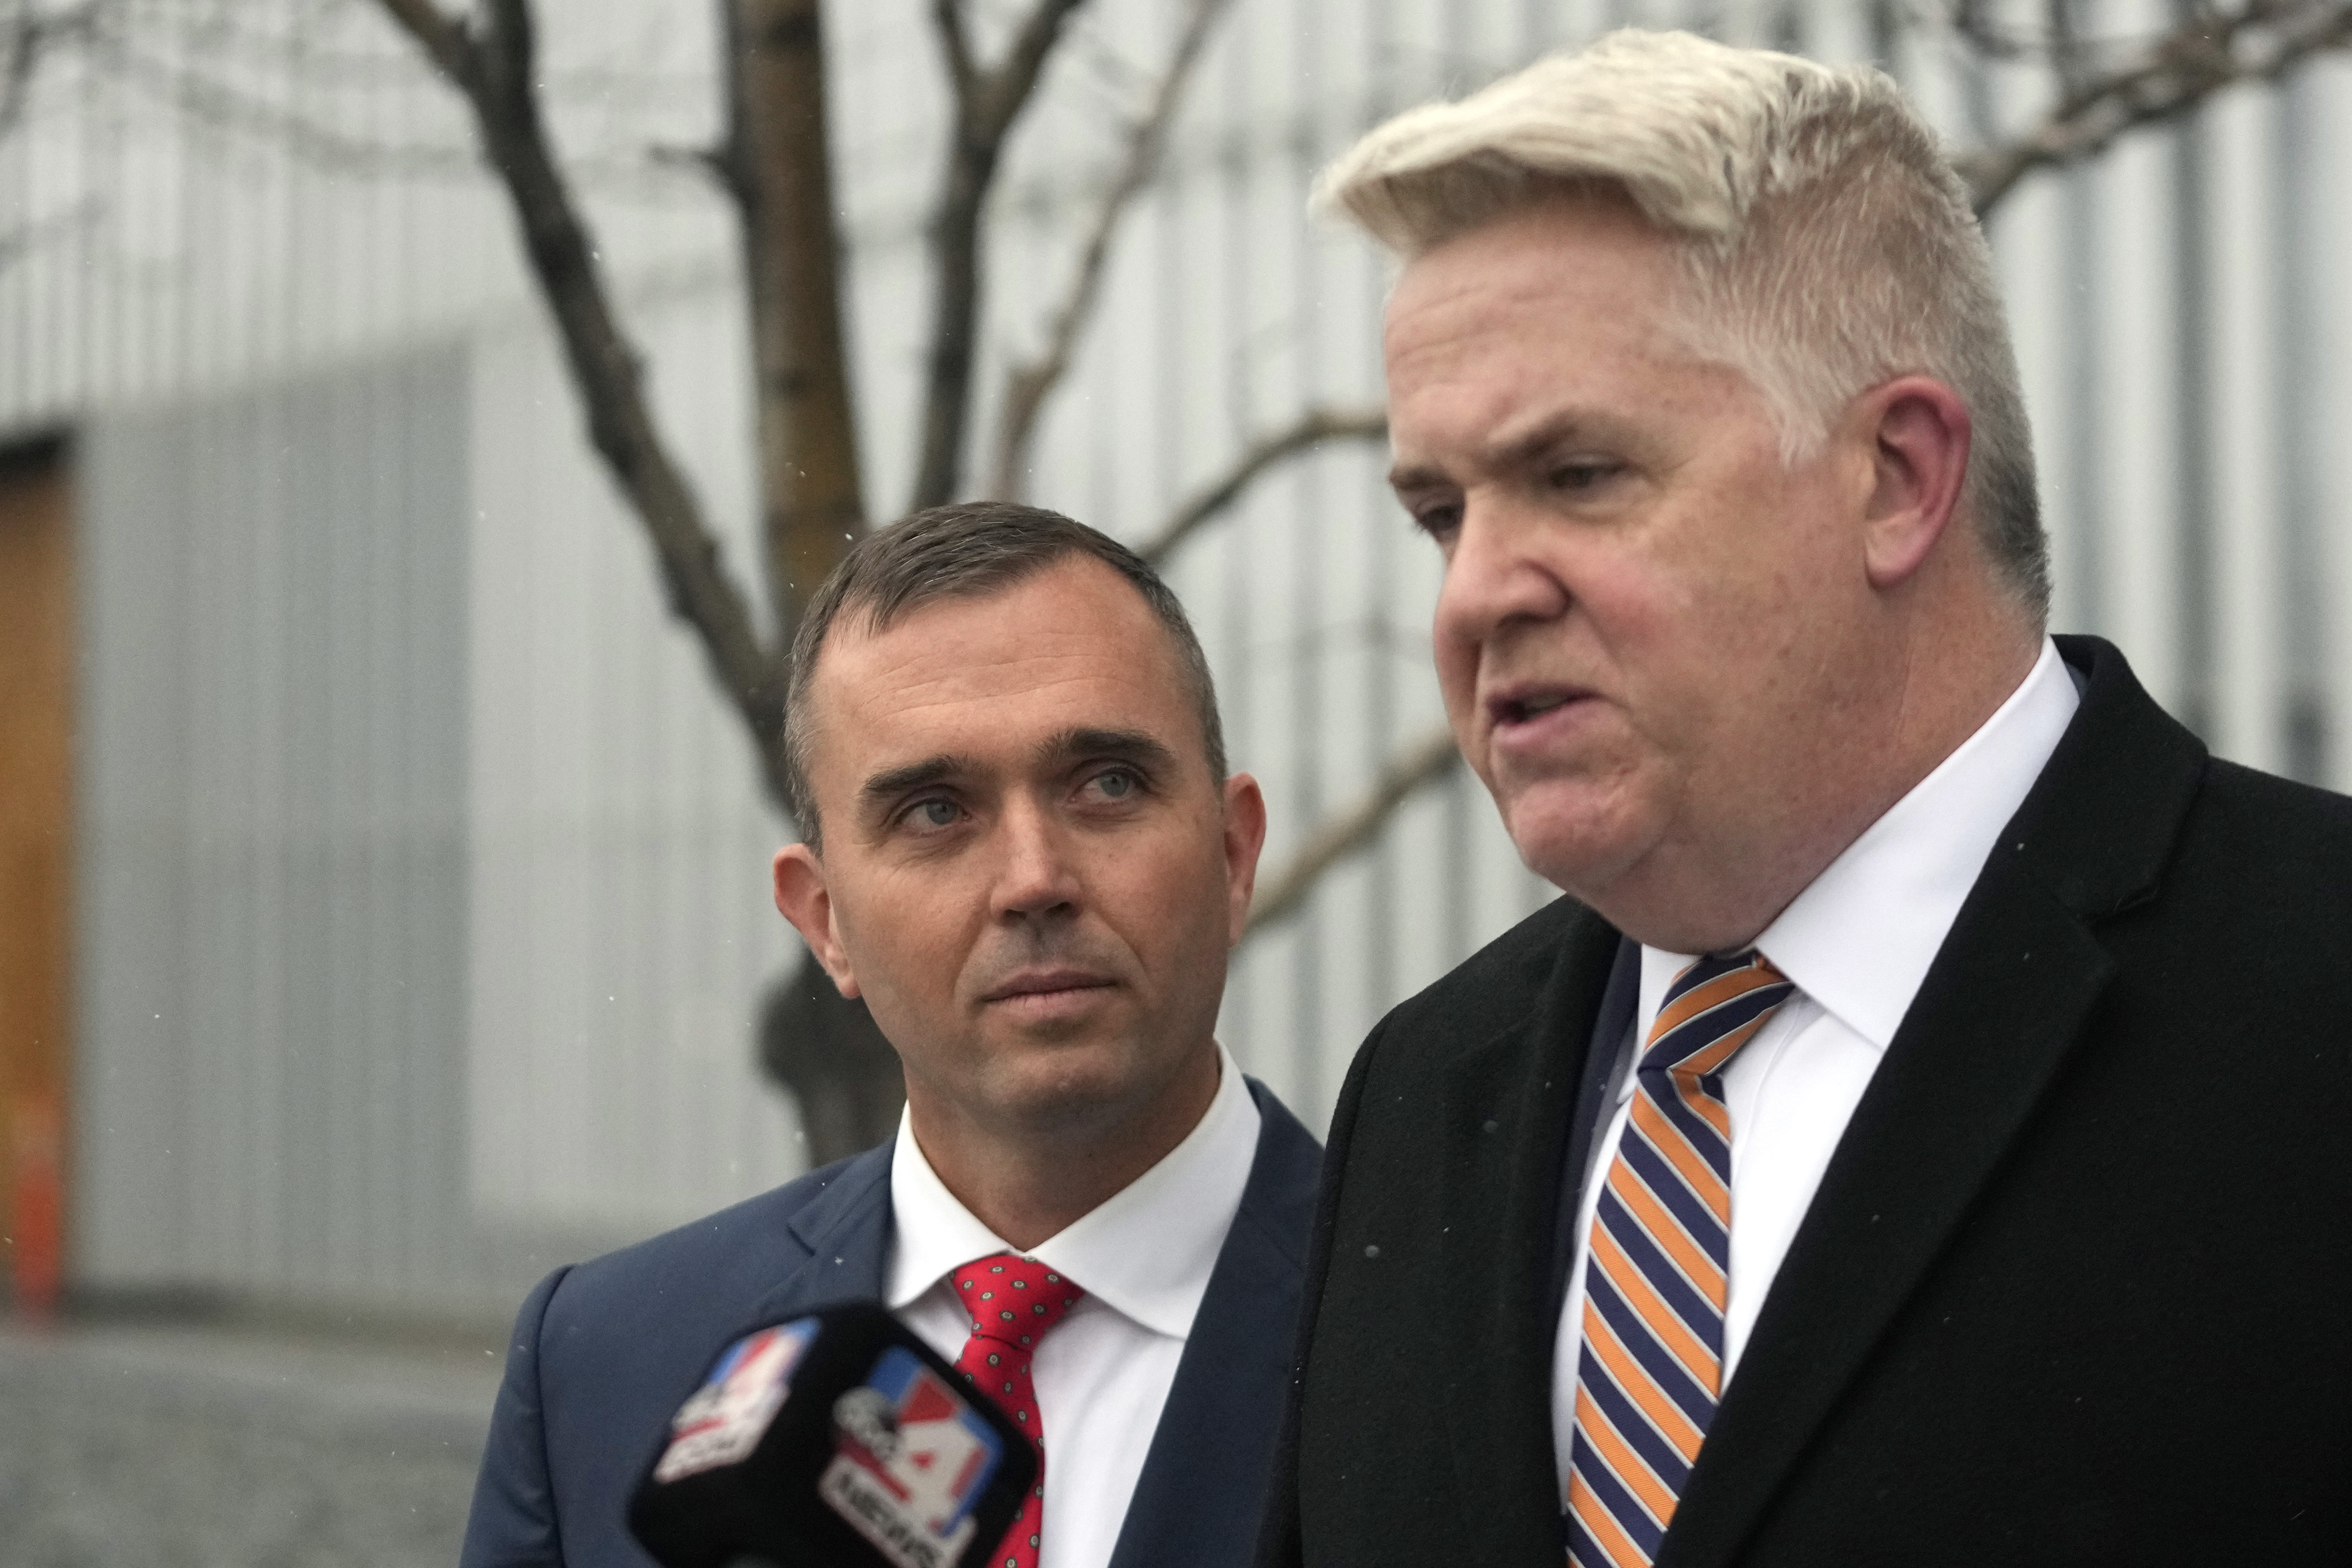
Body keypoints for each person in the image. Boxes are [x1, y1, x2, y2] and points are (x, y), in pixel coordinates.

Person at [1262, 29, 2351, 1568]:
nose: (1475, 593)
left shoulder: (2310, 990)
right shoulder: (1426, 1089)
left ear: (1897, 476)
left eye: (1576, 474)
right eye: (1439, 513)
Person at [463, 503, 1320, 1568]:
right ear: (826, 924)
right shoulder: (606, 1363)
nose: (1034, 880)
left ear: (1235, 857)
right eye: (934, 811)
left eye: (1107, 784)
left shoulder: (1473, 1327)